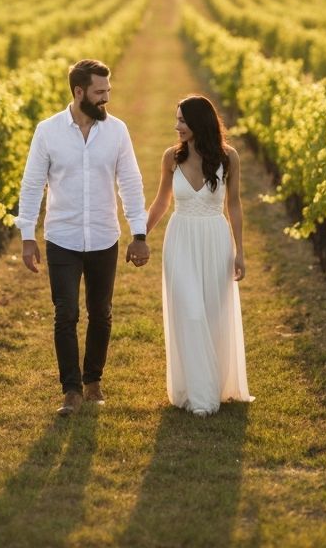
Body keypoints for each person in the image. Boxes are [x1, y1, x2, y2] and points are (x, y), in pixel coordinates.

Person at [16, 58, 149, 417]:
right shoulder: (48, 131)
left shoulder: (117, 131)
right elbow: (32, 184)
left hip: (104, 235)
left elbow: (130, 183)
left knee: (101, 313)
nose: (106, 98)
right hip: (62, 236)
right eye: (99, 91)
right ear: (79, 92)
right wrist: (27, 236)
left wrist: (138, 233)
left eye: (108, 90)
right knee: (66, 313)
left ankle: (93, 381)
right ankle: (71, 389)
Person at [146, 94, 251, 416]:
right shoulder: (171, 157)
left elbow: (234, 205)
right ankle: (201, 397)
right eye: (176, 119)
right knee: (190, 312)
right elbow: (162, 201)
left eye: (182, 120)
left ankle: (211, 385)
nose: (176, 126)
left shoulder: (228, 158)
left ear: (198, 122)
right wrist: (140, 235)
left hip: (215, 239)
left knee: (213, 313)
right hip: (180, 239)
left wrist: (240, 251)